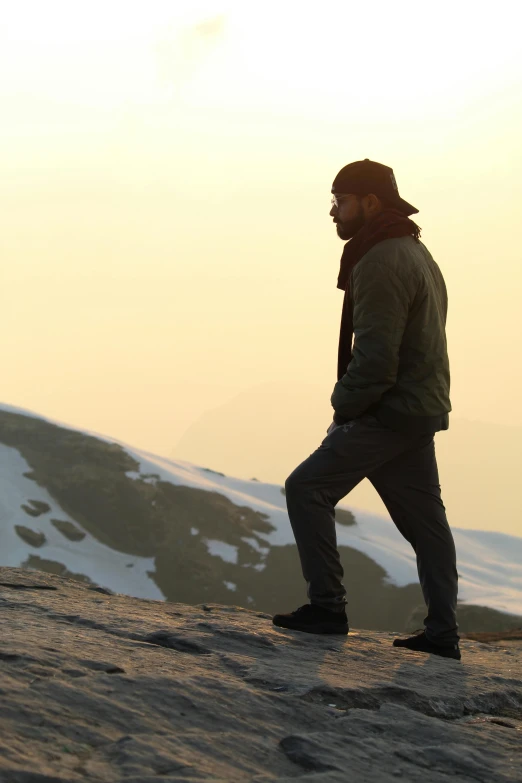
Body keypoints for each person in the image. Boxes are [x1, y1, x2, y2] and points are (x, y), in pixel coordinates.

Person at [272, 158, 460, 660]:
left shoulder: (380, 260)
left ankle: (328, 608)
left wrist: (344, 406)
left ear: (370, 203)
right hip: (418, 410)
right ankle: (443, 634)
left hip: (386, 412)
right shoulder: (416, 251)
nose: (333, 213)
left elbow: (376, 358)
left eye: (340, 201)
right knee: (427, 524)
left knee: (306, 488)